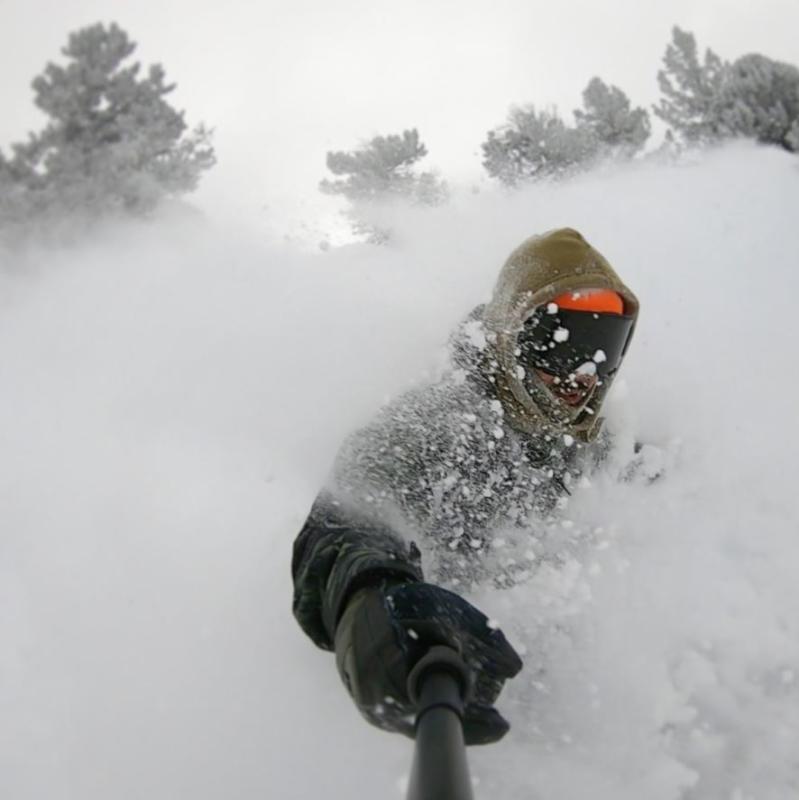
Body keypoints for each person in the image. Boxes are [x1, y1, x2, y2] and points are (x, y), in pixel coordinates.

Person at [292, 227, 639, 745]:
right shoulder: (433, 424)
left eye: (601, 347)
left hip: (563, 683)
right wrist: (372, 606)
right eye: (561, 341)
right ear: (509, 334)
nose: (583, 372)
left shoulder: (599, 439)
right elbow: (345, 523)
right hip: (440, 666)